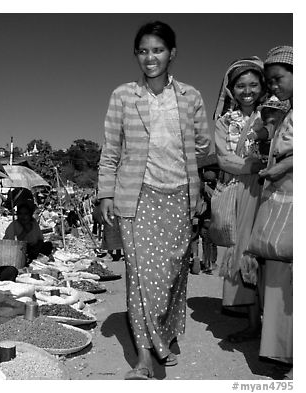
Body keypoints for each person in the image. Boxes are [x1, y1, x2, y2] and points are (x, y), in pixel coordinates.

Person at [97, 21, 211, 380]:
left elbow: (204, 145)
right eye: (143, 51)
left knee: (173, 272)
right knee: (142, 276)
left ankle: (164, 333)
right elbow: (111, 149)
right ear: (136, 55)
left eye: (158, 50)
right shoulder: (123, 96)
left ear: (172, 54)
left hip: (180, 195)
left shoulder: (190, 97)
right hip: (138, 195)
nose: (150, 58)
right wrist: (106, 193)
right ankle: (144, 357)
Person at [212, 57, 269, 342]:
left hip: (272, 190)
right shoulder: (224, 122)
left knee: (270, 253)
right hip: (242, 192)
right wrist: (254, 166)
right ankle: (253, 323)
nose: (247, 90)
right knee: (245, 251)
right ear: (231, 90)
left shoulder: (275, 115)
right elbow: (224, 158)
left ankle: (274, 325)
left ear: (262, 85)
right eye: (240, 86)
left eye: (253, 84)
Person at [258, 45, 293, 379]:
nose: (273, 86)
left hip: (293, 202)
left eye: (278, 78)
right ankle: (282, 351)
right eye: (269, 80)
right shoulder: (290, 113)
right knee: (280, 276)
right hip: (283, 200)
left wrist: (284, 167)